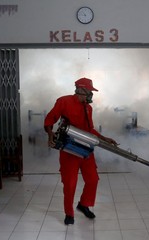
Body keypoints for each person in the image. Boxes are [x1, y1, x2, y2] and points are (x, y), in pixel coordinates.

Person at [44, 77, 117, 225]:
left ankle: (83, 204)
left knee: (93, 179)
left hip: (85, 149)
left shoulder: (88, 108)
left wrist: (104, 138)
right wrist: (50, 134)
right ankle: (69, 213)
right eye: (90, 91)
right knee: (70, 183)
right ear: (81, 90)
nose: (91, 94)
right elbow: (49, 120)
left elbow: (89, 130)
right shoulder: (63, 101)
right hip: (69, 149)